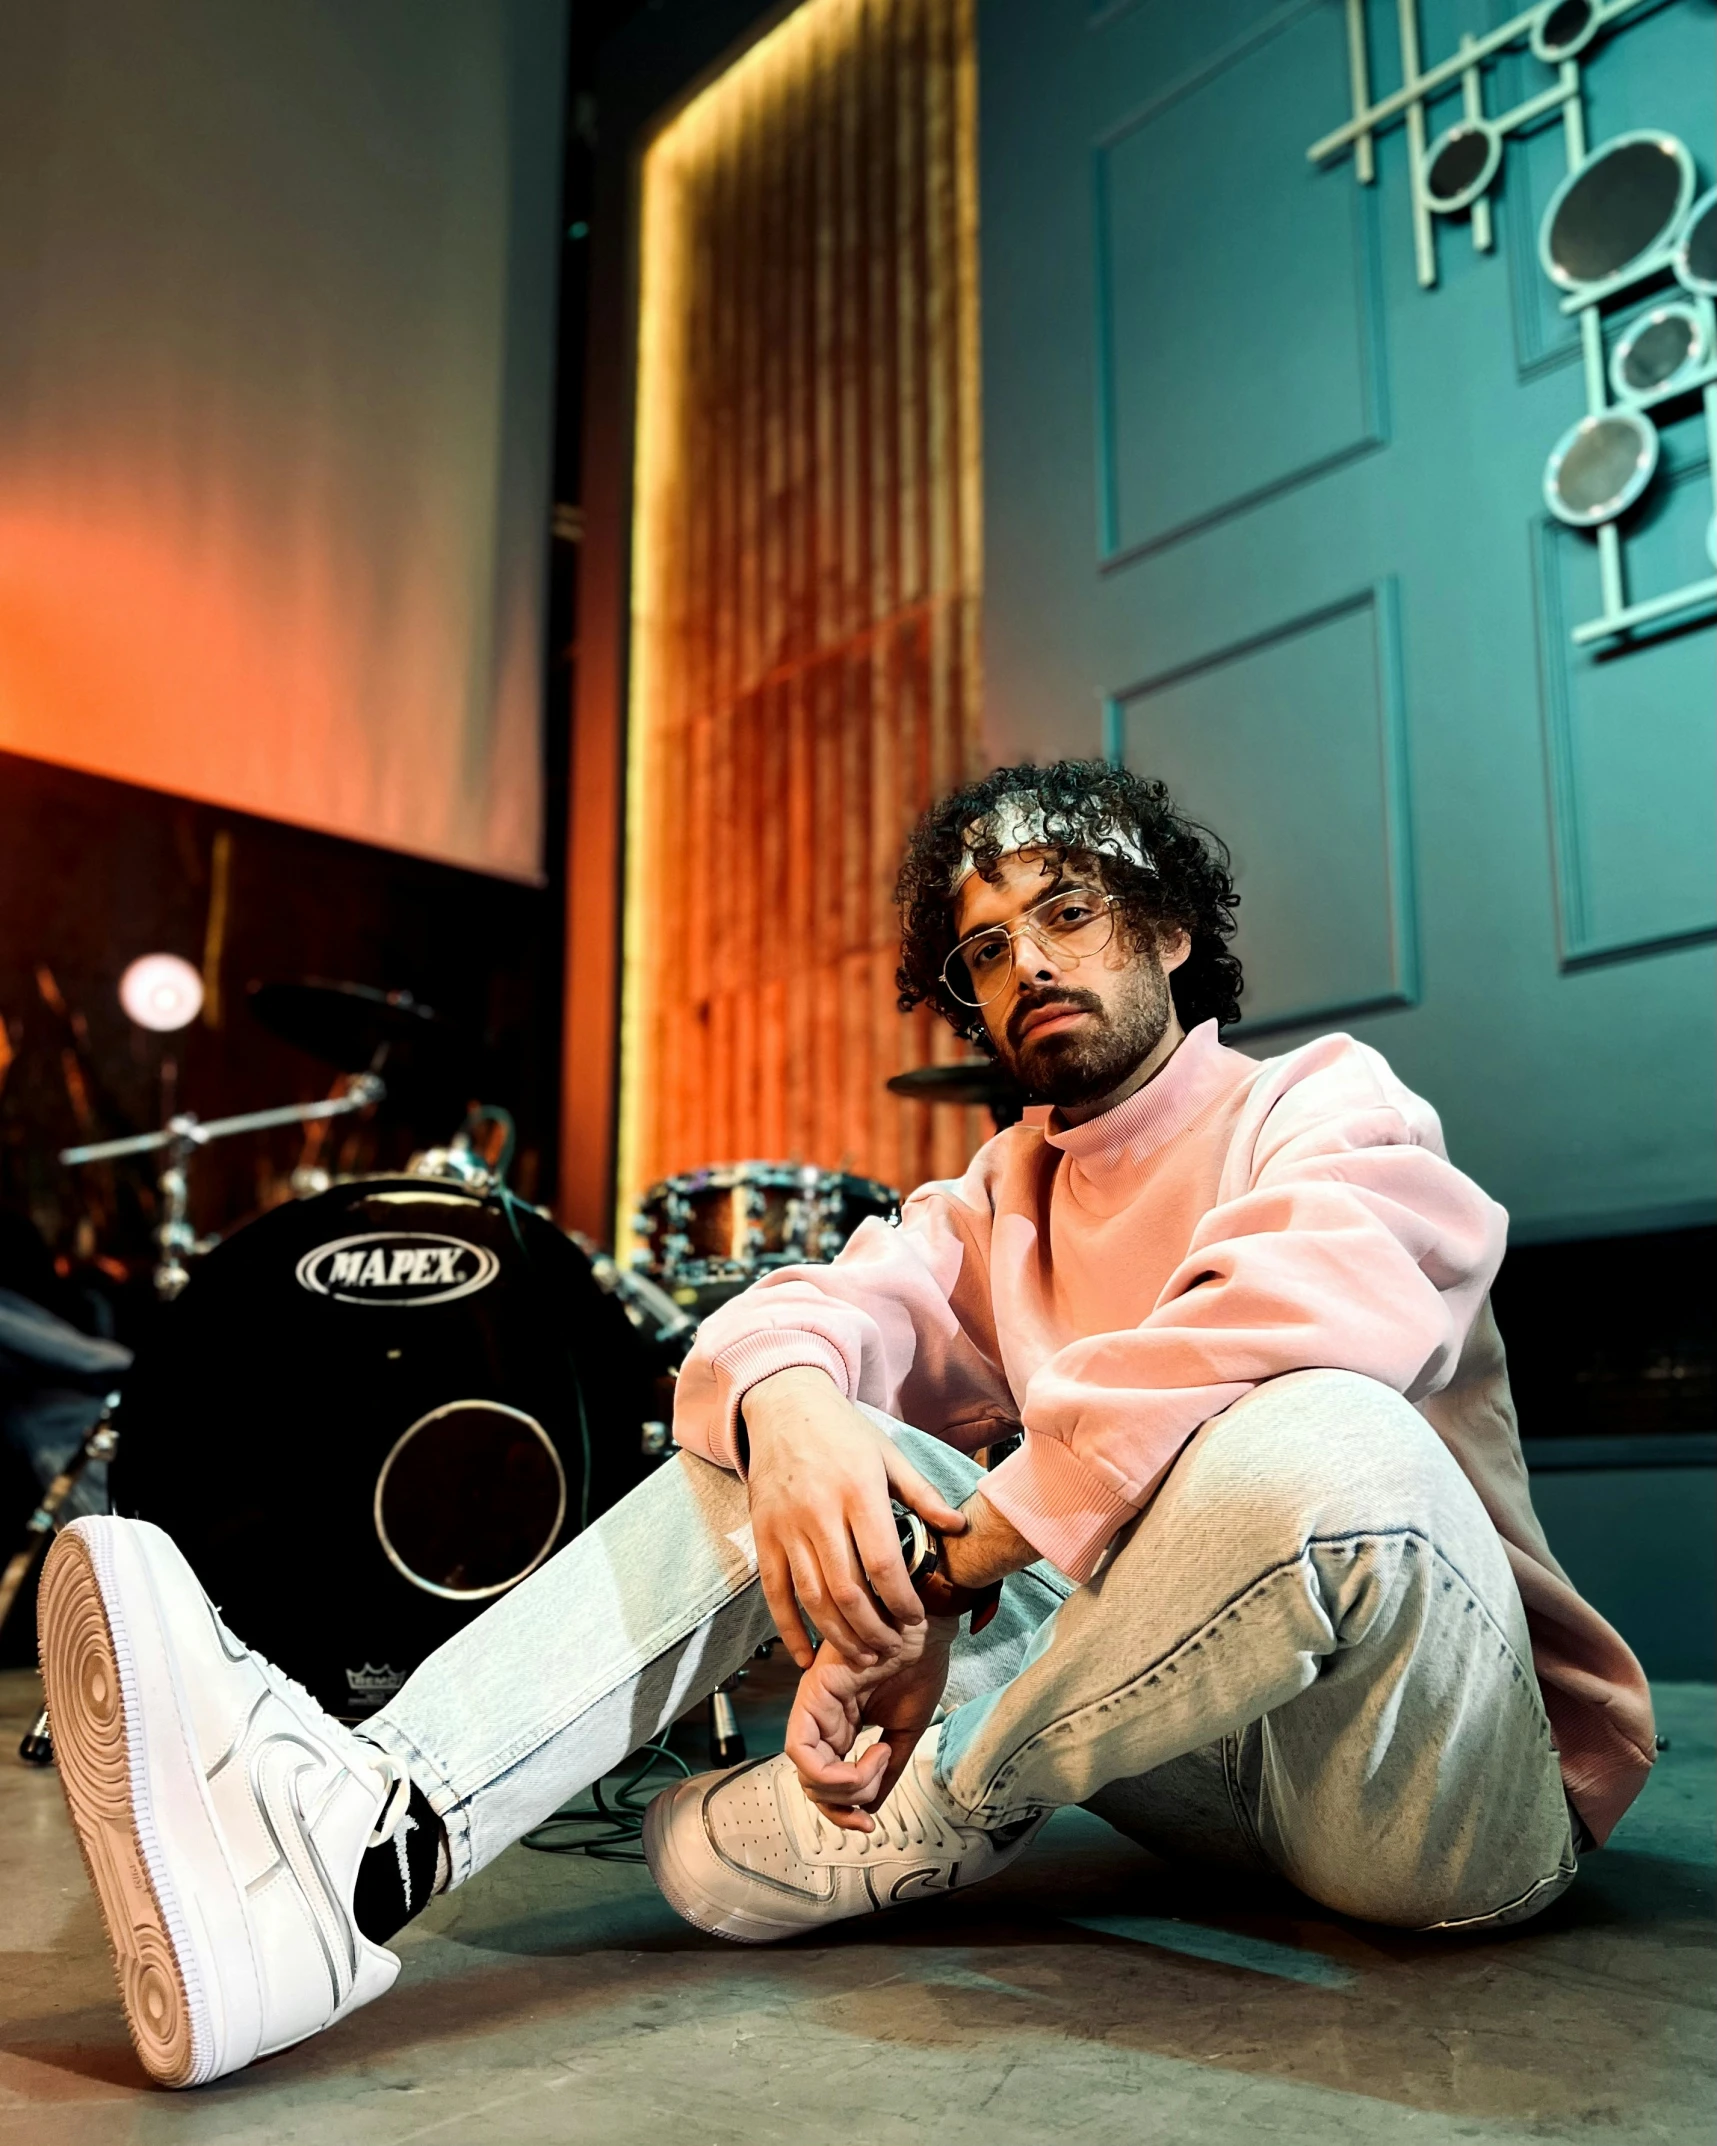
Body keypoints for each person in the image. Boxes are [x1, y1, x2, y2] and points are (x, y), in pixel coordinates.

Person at [39, 759, 1655, 2090]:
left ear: (1166, 931)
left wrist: (963, 1567)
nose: (1025, 961)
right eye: (985, 946)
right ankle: (351, 1848)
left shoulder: (1325, 1103)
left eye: (1067, 911)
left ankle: (939, 1804)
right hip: (1184, 1763)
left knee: (1323, 1439)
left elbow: (1316, 1298)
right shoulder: (993, 1200)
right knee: (778, 1455)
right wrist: (800, 1413)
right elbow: (783, 1320)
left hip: (1435, 1796)